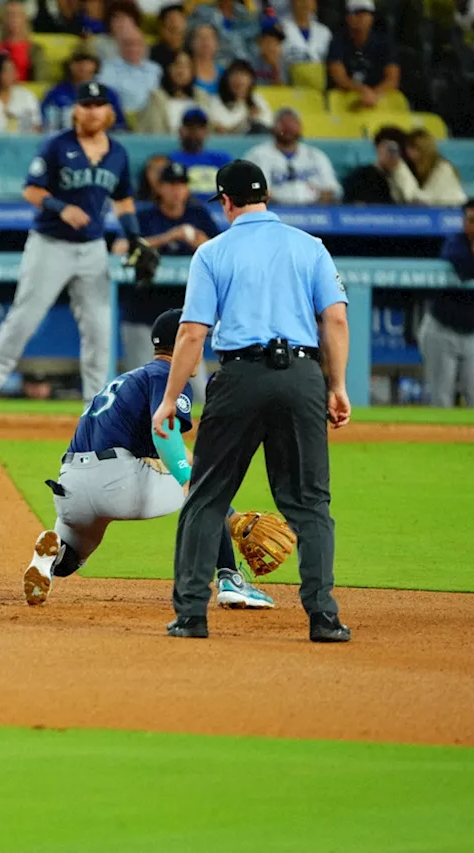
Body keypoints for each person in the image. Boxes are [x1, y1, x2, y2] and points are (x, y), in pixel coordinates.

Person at [151, 159, 353, 643]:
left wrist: (170, 398)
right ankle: (323, 618)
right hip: (303, 375)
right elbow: (337, 320)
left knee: (206, 498)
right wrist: (337, 385)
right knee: (309, 505)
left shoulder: (212, 252)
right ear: (266, 198)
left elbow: (193, 332)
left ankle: (192, 615)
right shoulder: (310, 247)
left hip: (239, 376)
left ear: (226, 201)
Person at [22, 309, 275, 610]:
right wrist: (201, 491)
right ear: (183, 344)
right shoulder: (168, 376)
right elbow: (164, 434)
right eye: (198, 342)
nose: (200, 350)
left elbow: (171, 446)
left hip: (71, 486)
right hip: (117, 482)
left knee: (71, 559)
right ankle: (231, 580)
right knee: (208, 487)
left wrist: (197, 479)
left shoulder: (127, 380)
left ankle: (47, 560)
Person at [0, 82, 155, 424]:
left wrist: (134, 236)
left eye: (99, 104)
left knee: (99, 329)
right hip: (49, 244)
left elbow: (123, 199)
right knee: (23, 320)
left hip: (92, 249)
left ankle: (95, 409)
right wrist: (60, 207)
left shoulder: (117, 153)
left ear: (109, 113)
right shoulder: (57, 145)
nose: (93, 110)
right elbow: (31, 190)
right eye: (86, 104)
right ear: (76, 111)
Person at [112, 161, 218, 397]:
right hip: (143, 316)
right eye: (170, 185)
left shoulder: (197, 215)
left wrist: (198, 241)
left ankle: (192, 436)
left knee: (198, 393)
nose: (176, 191)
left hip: (184, 322)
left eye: (181, 185)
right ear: (159, 188)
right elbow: (119, 248)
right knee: (141, 392)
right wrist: (167, 237)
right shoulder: (145, 215)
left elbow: (224, 252)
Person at [420, 198, 474, 409]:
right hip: (441, 331)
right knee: (441, 402)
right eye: (472, 221)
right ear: (464, 223)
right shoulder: (455, 242)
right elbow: (468, 269)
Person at [242, 107, 340, 204]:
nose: (288, 127)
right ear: (272, 127)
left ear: (300, 128)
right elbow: (251, 193)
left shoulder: (316, 156)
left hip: (315, 212)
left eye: (292, 123)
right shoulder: (257, 155)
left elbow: (333, 190)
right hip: (272, 212)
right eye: (282, 123)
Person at [327, 0, 399, 109]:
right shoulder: (338, 41)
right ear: (348, 17)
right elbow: (339, 78)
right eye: (356, 13)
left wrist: (374, 93)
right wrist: (363, 90)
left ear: (371, 17)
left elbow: (392, 79)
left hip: (377, 97)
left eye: (365, 13)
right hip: (347, 97)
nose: (361, 18)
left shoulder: (384, 43)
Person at [41, 51, 127, 132]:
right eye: (78, 63)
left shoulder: (108, 93)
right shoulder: (56, 92)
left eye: (87, 63)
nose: (82, 67)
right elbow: (45, 120)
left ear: (95, 66)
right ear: (70, 66)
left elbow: (119, 124)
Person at [138, 50, 210, 134]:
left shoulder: (201, 96)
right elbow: (155, 131)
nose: (181, 71)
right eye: (177, 65)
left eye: (186, 66)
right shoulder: (156, 97)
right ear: (169, 69)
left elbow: (207, 130)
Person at [389, 129, 468, 206]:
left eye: (413, 148)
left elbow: (420, 201)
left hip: (452, 214)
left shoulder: (443, 169)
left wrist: (400, 168)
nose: (408, 153)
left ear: (423, 150)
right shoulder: (420, 168)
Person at [95, 27, 159, 115]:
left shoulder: (155, 69)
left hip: (148, 116)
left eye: (138, 44)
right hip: (118, 115)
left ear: (145, 47)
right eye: (128, 44)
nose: (133, 49)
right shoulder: (108, 67)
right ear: (119, 46)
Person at [169, 108, 231, 198]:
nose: (194, 132)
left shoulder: (222, 159)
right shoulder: (172, 160)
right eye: (190, 127)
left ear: (207, 132)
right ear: (181, 131)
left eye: (200, 128)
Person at [341, 124, 404, 204]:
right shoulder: (359, 178)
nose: (392, 155)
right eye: (390, 149)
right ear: (377, 147)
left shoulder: (403, 176)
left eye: (396, 150)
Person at [207, 59, 272, 135]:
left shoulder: (257, 100)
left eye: (243, 74)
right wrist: (245, 121)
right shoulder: (215, 101)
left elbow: (268, 124)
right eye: (234, 74)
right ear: (226, 79)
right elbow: (219, 128)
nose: (239, 79)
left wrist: (256, 118)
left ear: (251, 79)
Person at [0, 0, 44, 82]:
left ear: (24, 18)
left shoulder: (35, 50)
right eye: (8, 15)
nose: (13, 19)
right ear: (3, 19)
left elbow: (40, 81)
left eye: (17, 15)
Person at [282, 0, 332, 68]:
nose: (305, 3)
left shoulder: (324, 32)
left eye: (309, 0)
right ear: (292, 3)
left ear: (315, 4)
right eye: (300, 0)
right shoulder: (281, 29)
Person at [187, 23, 224, 97]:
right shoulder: (185, 71)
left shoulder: (224, 74)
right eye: (200, 37)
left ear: (217, 43)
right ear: (191, 43)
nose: (205, 41)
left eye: (210, 37)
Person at [252, 20, 288, 86]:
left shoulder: (286, 64)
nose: (271, 47)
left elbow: (282, 91)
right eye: (268, 42)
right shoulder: (251, 63)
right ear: (260, 43)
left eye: (276, 43)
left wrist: (275, 67)